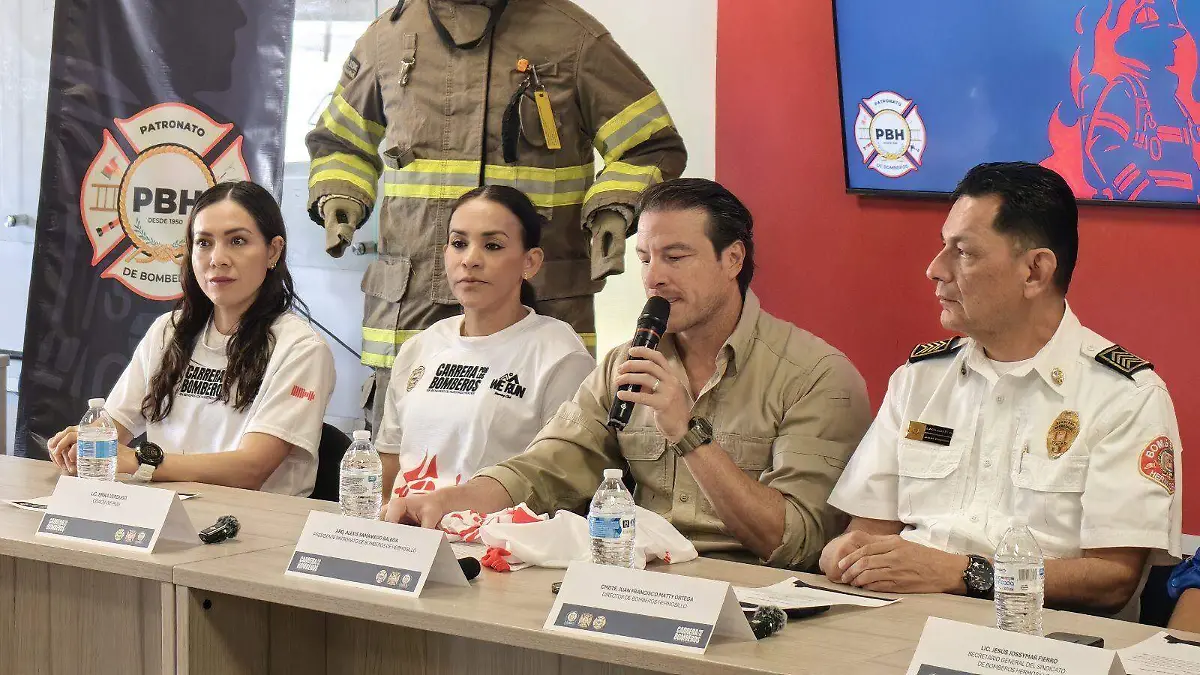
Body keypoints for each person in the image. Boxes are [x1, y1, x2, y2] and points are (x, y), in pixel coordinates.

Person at [385, 178, 872, 570]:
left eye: (676, 257)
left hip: (754, 594)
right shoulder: (627, 361)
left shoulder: (816, 375)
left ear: (734, 259)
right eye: (645, 258)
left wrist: (688, 434)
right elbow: (553, 462)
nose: (654, 277)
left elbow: (800, 542)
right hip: (638, 577)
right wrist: (458, 498)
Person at [305, 0, 688, 433]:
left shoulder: (571, 38)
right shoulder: (388, 38)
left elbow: (649, 145)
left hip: (537, 304)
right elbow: (339, 141)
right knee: (406, 459)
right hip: (412, 308)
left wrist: (614, 206)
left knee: (548, 459)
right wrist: (342, 193)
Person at [821, 162, 1182, 617]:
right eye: (942, 248)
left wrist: (964, 574)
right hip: (897, 620)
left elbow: (1113, 580)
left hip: (1038, 640)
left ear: (1034, 271)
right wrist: (847, 554)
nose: (935, 270)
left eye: (964, 253)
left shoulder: (1126, 395)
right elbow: (867, 530)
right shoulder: (920, 378)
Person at [47, 181, 336, 497]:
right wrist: (84, 442)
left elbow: (251, 469)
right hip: (163, 512)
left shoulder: (301, 349)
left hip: (253, 525)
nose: (218, 259)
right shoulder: (169, 330)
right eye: (204, 243)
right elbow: (111, 430)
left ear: (273, 251)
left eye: (237, 241)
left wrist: (141, 462)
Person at [376, 186, 595, 499]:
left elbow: (566, 480)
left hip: (497, 541)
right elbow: (390, 463)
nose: (470, 260)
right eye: (459, 243)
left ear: (530, 262)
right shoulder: (421, 347)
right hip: (410, 537)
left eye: (492, 245)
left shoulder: (560, 355)